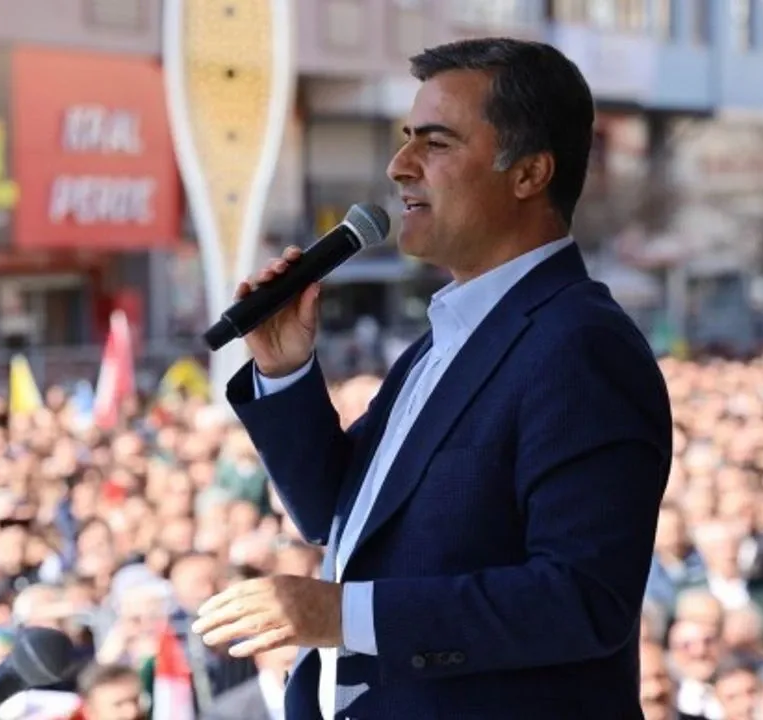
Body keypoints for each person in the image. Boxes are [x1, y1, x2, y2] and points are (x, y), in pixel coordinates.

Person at [192, 37, 672, 718]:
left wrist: (343, 614)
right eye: (406, 138)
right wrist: (286, 369)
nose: (400, 166)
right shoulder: (447, 341)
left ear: (529, 173)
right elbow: (340, 514)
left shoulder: (579, 346)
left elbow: (582, 600)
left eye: (436, 143)